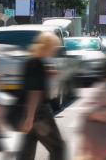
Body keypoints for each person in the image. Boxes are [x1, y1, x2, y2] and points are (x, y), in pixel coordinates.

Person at [17, 32, 66, 160]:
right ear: (47, 47)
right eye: (54, 47)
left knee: (27, 153)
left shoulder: (31, 61)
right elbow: (34, 92)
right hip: (40, 114)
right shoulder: (37, 64)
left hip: (30, 112)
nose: (55, 51)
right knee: (58, 148)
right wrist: (30, 118)